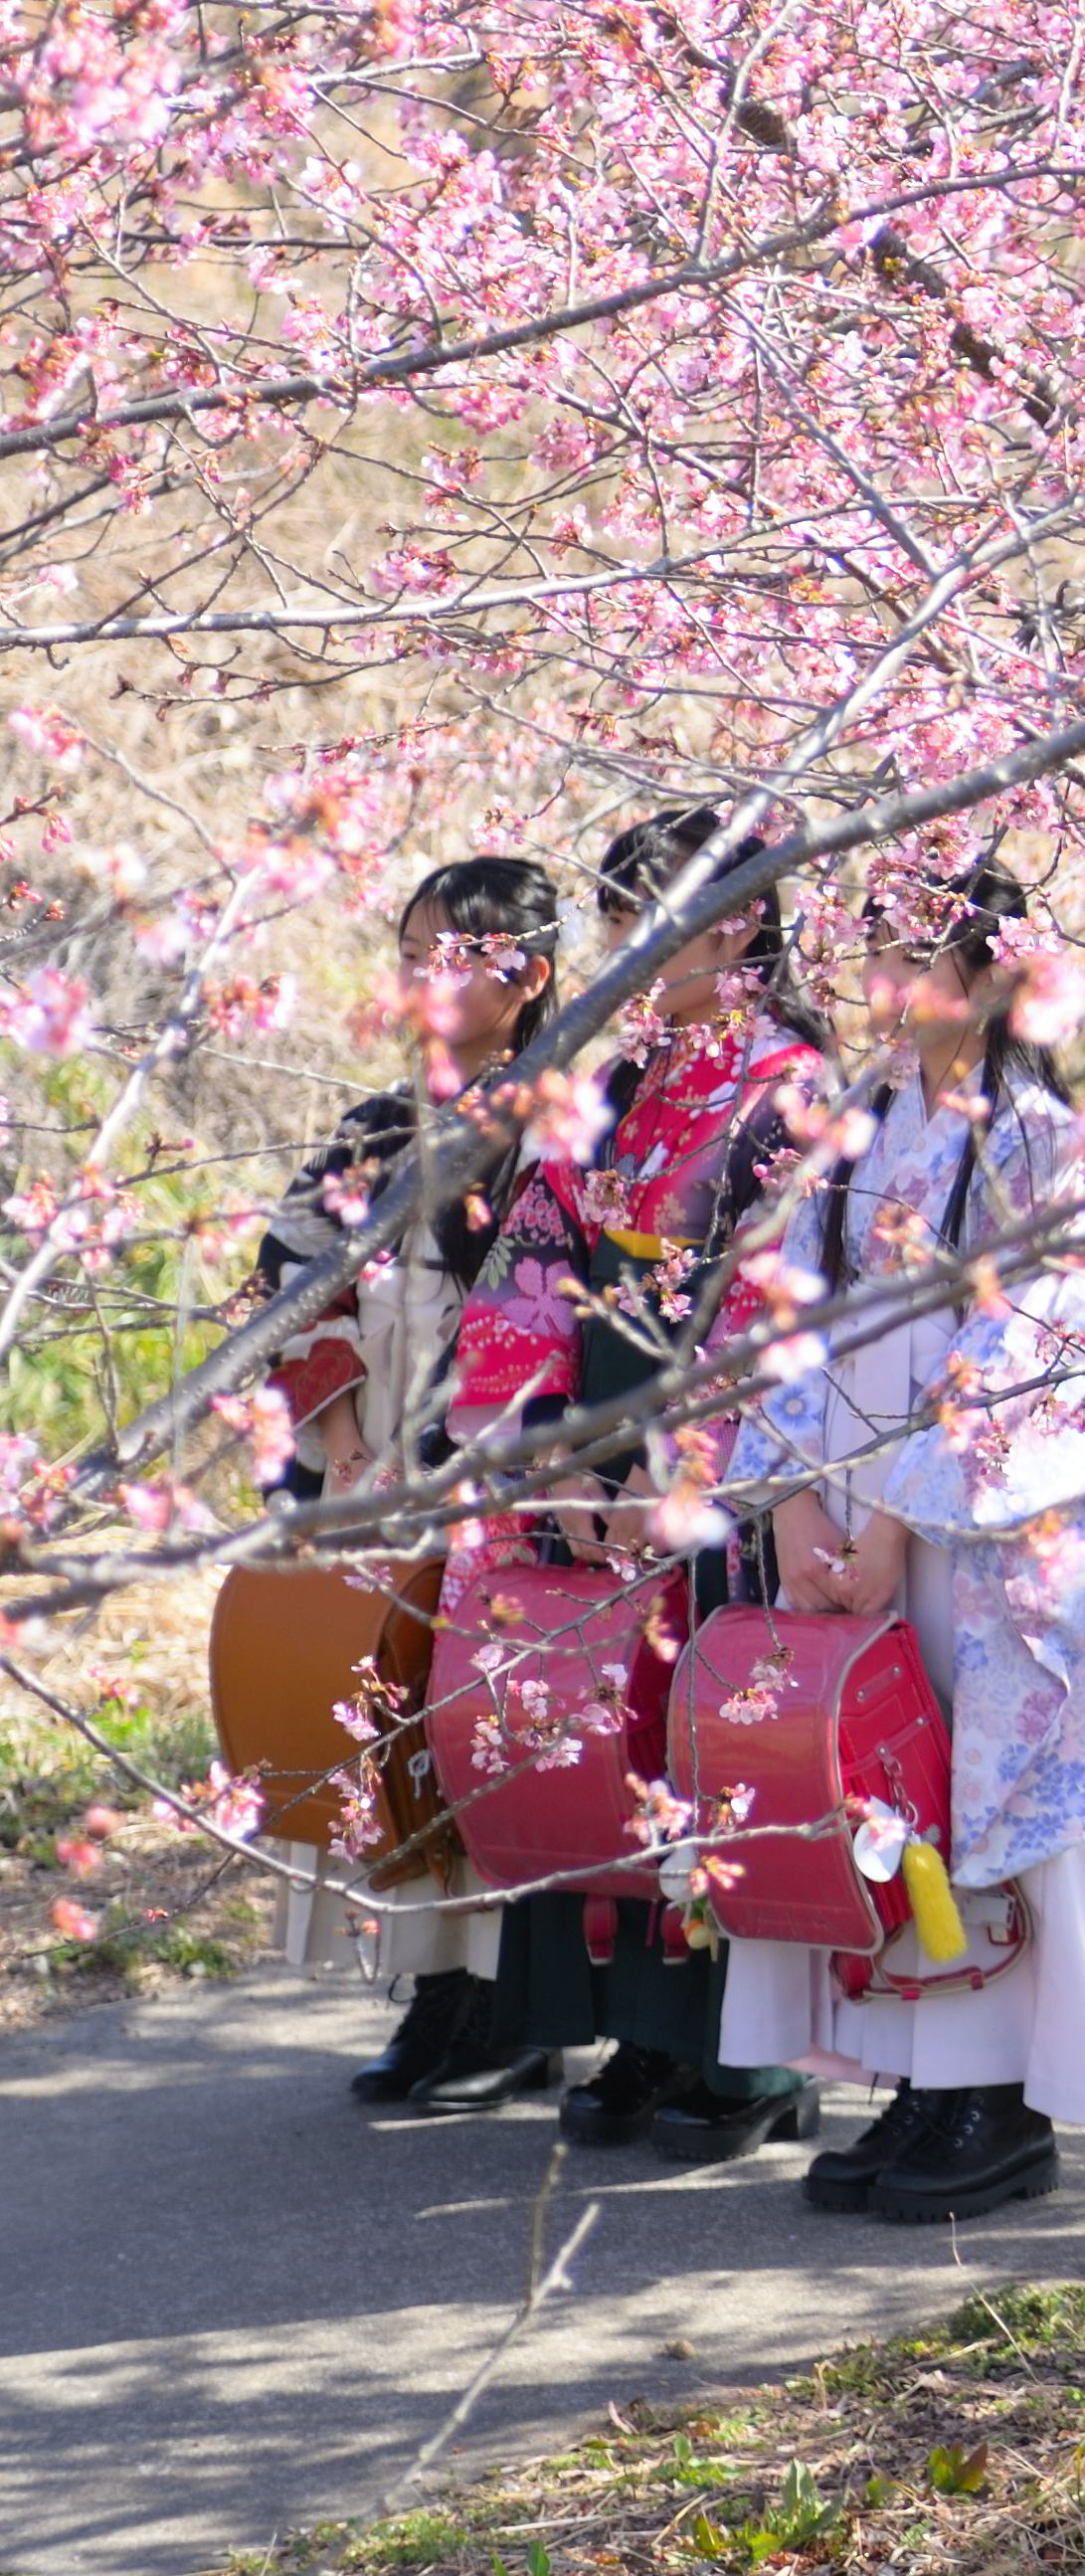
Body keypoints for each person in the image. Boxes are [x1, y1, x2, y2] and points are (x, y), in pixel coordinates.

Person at [719, 857, 1085, 2222]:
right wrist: (797, 1501)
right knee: (874, 1783)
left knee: (983, 1794)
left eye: (914, 956)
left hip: (991, 1533)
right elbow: (778, 1322)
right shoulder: (840, 1127)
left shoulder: (1038, 1139)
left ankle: (996, 2095)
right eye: (866, 950)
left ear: (996, 975)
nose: (882, 986)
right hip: (855, 1510)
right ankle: (915, 2074)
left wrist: (885, 1512)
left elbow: (1024, 1359)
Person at [472, 807, 829, 2162]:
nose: (628, 946)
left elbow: (776, 1301)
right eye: (619, 917)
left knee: (713, 1739)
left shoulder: (790, 1087)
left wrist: (676, 1466)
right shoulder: (616, 1087)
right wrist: (544, 1445)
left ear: (738, 924)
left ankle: (748, 2057)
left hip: (715, 1476)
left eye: (649, 915)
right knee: (595, 1737)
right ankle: (638, 2029)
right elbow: (526, 1271)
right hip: (587, 1450)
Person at [252, 855, 571, 2113]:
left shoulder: (557, 1114)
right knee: (384, 1715)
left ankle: (508, 1998)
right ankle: (438, 1989)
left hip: (487, 1448)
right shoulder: (380, 1121)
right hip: (371, 1446)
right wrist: (326, 1420)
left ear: (525, 973)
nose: (420, 979)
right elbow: (281, 1268)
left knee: (482, 1710)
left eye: (451, 954)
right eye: (413, 952)